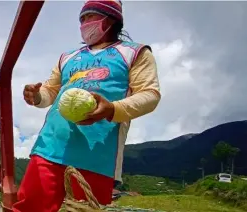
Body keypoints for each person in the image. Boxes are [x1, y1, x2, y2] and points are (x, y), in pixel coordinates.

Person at [13, 0, 161, 211]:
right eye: (81, 19)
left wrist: (112, 109)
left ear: (110, 19)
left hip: (98, 152)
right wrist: (37, 96)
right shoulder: (68, 57)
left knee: (85, 209)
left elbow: (150, 94)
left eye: (90, 16)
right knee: (30, 207)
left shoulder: (135, 53)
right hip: (52, 145)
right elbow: (51, 91)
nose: (84, 24)